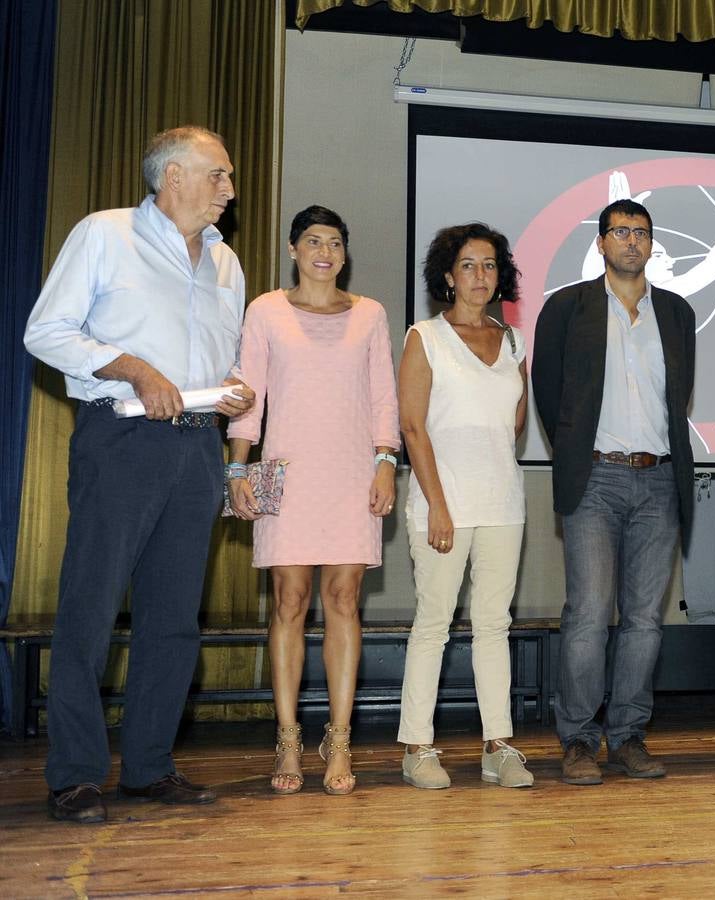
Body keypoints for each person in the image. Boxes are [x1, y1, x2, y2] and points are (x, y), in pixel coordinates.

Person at [24, 126, 256, 823]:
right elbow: (47, 331)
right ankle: (74, 775)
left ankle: (150, 767)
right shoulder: (105, 234)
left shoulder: (227, 262)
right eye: (218, 175)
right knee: (90, 609)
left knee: (174, 619)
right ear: (173, 175)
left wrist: (231, 388)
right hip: (121, 438)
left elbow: (225, 354)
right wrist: (134, 366)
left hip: (196, 447)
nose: (230, 190)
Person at [226, 206, 400, 796]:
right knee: (289, 600)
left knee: (344, 599)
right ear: (294, 250)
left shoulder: (371, 314)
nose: (324, 251)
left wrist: (385, 463)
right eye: (312, 241)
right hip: (283, 472)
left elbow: (383, 396)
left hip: (352, 472)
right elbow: (249, 395)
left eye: (334, 242)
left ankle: (340, 737)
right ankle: (288, 738)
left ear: (344, 254)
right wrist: (236, 468)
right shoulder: (266, 311)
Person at [532, 198, 696, 785]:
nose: (631, 241)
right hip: (595, 479)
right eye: (620, 232)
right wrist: (578, 450)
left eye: (642, 233)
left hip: (660, 481)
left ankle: (627, 735)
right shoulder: (566, 307)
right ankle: (577, 740)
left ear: (652, 245)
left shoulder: (676, 313)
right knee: (588, 614)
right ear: (600, 243)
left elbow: (677, 400)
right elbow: (550, 395)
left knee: (645, 621)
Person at [396, 223, 533, 790]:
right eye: (469, 265)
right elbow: (411, 426)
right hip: (441, 504)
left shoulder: (515, 342)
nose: (481, 276)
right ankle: (417, 748)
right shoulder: (424, 337)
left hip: (504, 503)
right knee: (433, 625)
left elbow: (515, 424)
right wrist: (438, 505)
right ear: (448, 276)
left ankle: (498, 745)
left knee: (494, 626)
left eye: (490, 265)